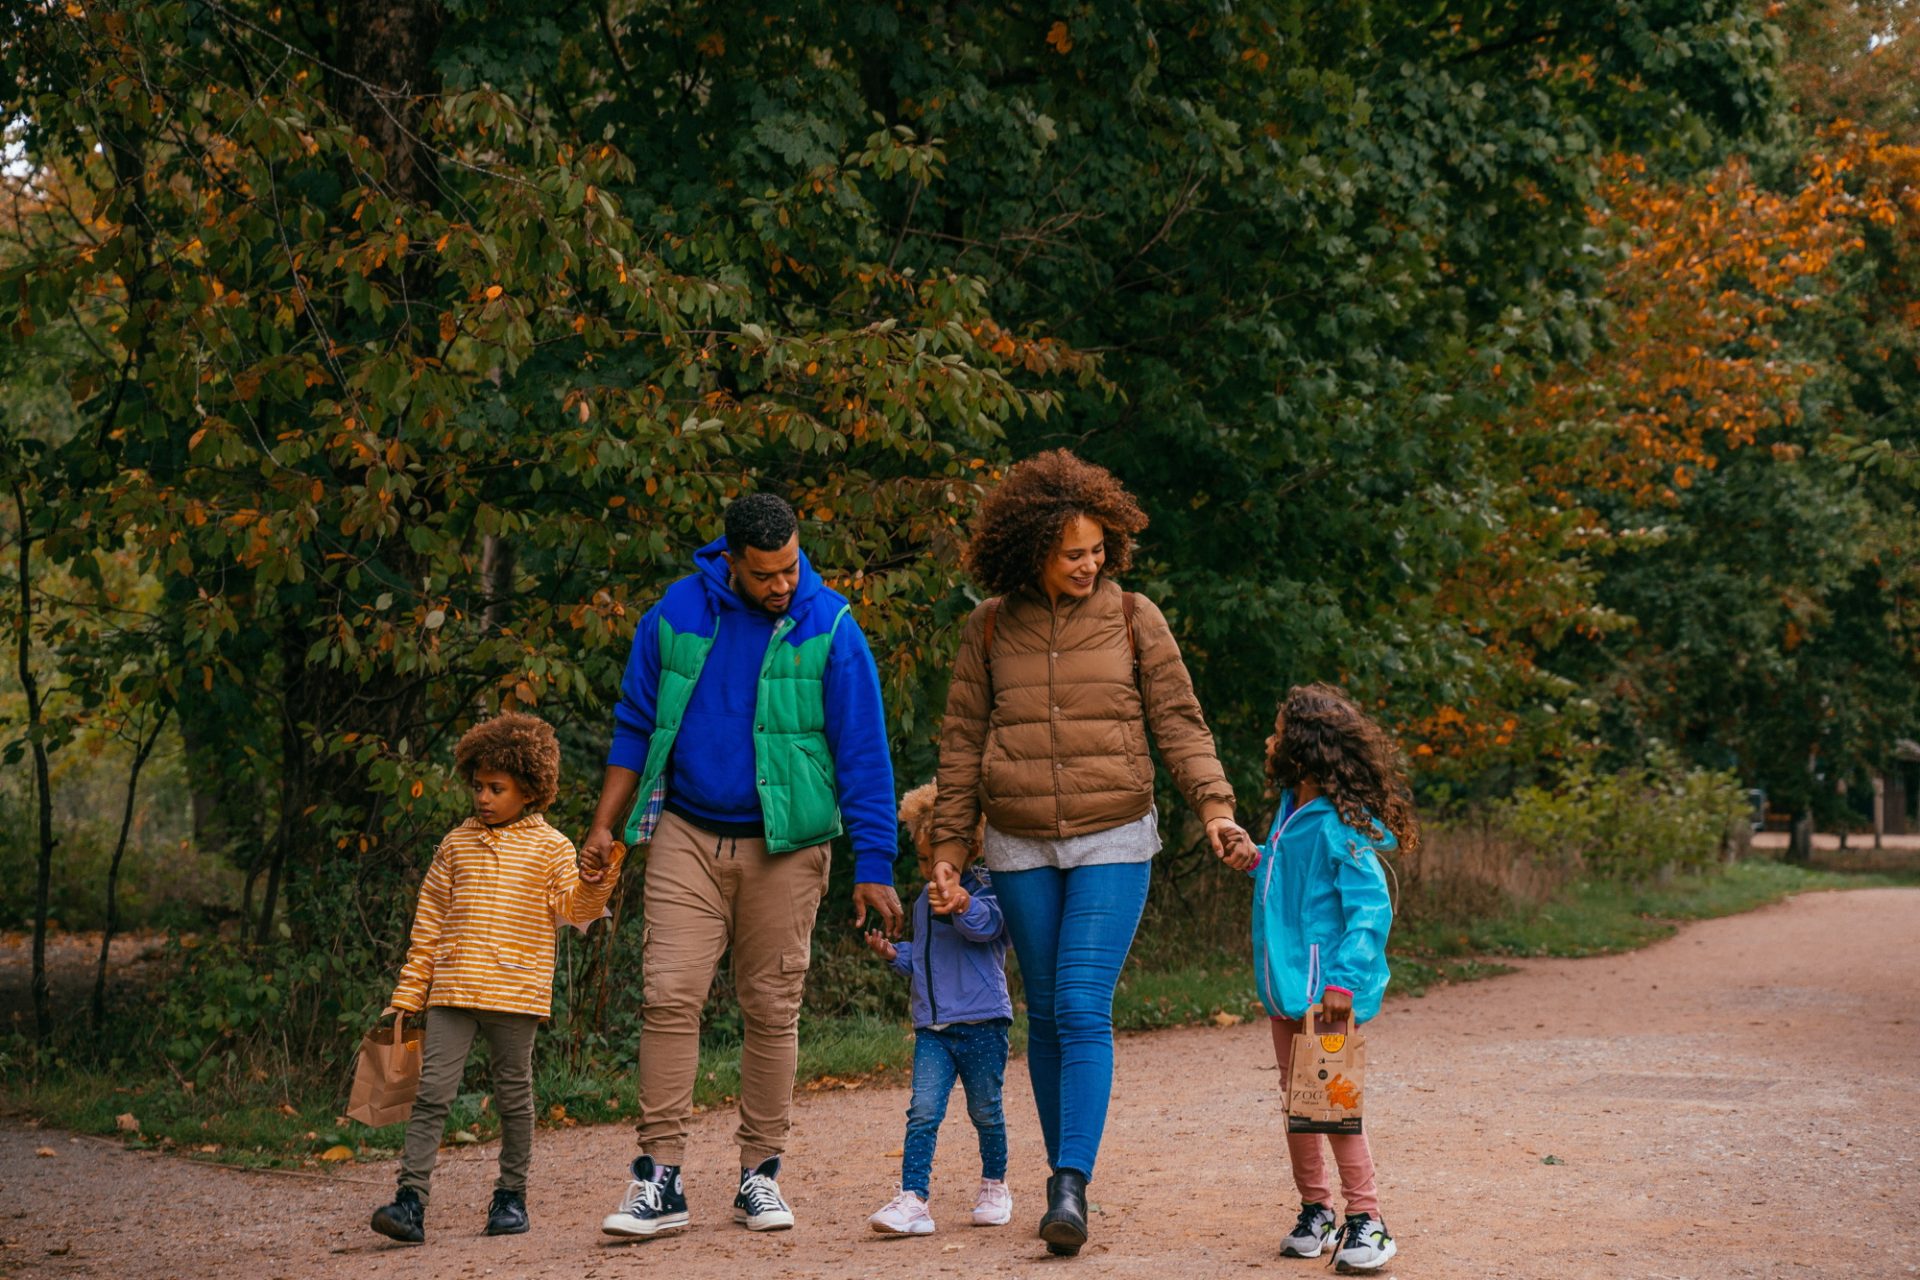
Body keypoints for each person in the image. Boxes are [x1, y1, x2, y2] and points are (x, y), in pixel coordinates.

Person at [928, 449, 1258, 1257]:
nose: (1090, 563)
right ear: (1031, 548)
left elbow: (1179, 719)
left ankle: (1068, 1183)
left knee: (1079, 1002)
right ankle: (1064, 1172)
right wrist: (947, 846)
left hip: (1114, 830)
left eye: (1098, 549)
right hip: (1017, 840)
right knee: (1043, 1010)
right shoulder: (991, 626)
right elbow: (964, 742)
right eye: (1073, 551)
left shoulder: (1133, 615)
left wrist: (1214, 808)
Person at [585, 492, 906, 1238]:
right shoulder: (675, 614)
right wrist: (605, 826)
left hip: (787, 847)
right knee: (669, 995)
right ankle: (659, 1179)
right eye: (765, 575)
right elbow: (636, 725)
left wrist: (876, 862)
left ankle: (759, 1174)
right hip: (686, 835)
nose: (782, 585)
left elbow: (864, 752)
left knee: (770, 1007)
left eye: (791, 567)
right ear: (730, 561)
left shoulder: (829, 625)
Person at [370, 713, 623, 1245]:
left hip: (515, 993)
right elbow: (429, 924)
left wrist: (597, 880)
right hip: (452, 991)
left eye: (496, 788)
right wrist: (408, 994)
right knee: (432, 1094)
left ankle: (511, 1197)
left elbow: (574, 907)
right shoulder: (455, 845)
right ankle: (410, 1201)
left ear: (529, 789)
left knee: (514, 1097)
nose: (483, 797)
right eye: (478, 786)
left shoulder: (552, 847)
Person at [1253, 683, 1414, 1273]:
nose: (1269, 741)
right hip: (1283, 987)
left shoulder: (1335, 826)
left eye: (1277, 732)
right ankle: (1316, 1210)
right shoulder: (1290, 816)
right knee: (1299, 1102)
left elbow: (1371, 910)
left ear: (1304, 749)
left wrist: (1342, 984)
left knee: (1333, 1103)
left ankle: (1368, 1220)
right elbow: (1289, 891)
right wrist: (1255, 858)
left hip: (1325, 996)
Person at [864, 783, 1013, 1237]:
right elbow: (927, 958)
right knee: (923, 1111)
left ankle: (994, 1186)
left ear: (968, 850)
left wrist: (963, 904)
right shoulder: (923, 904)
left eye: (934, 859)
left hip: (983, 1022)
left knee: (985, 1110)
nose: (929, 870)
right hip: (933, 1028)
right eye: (923, 861)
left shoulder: (990, 891)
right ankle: (914, 1199)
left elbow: (989, 930)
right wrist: (895, 955)